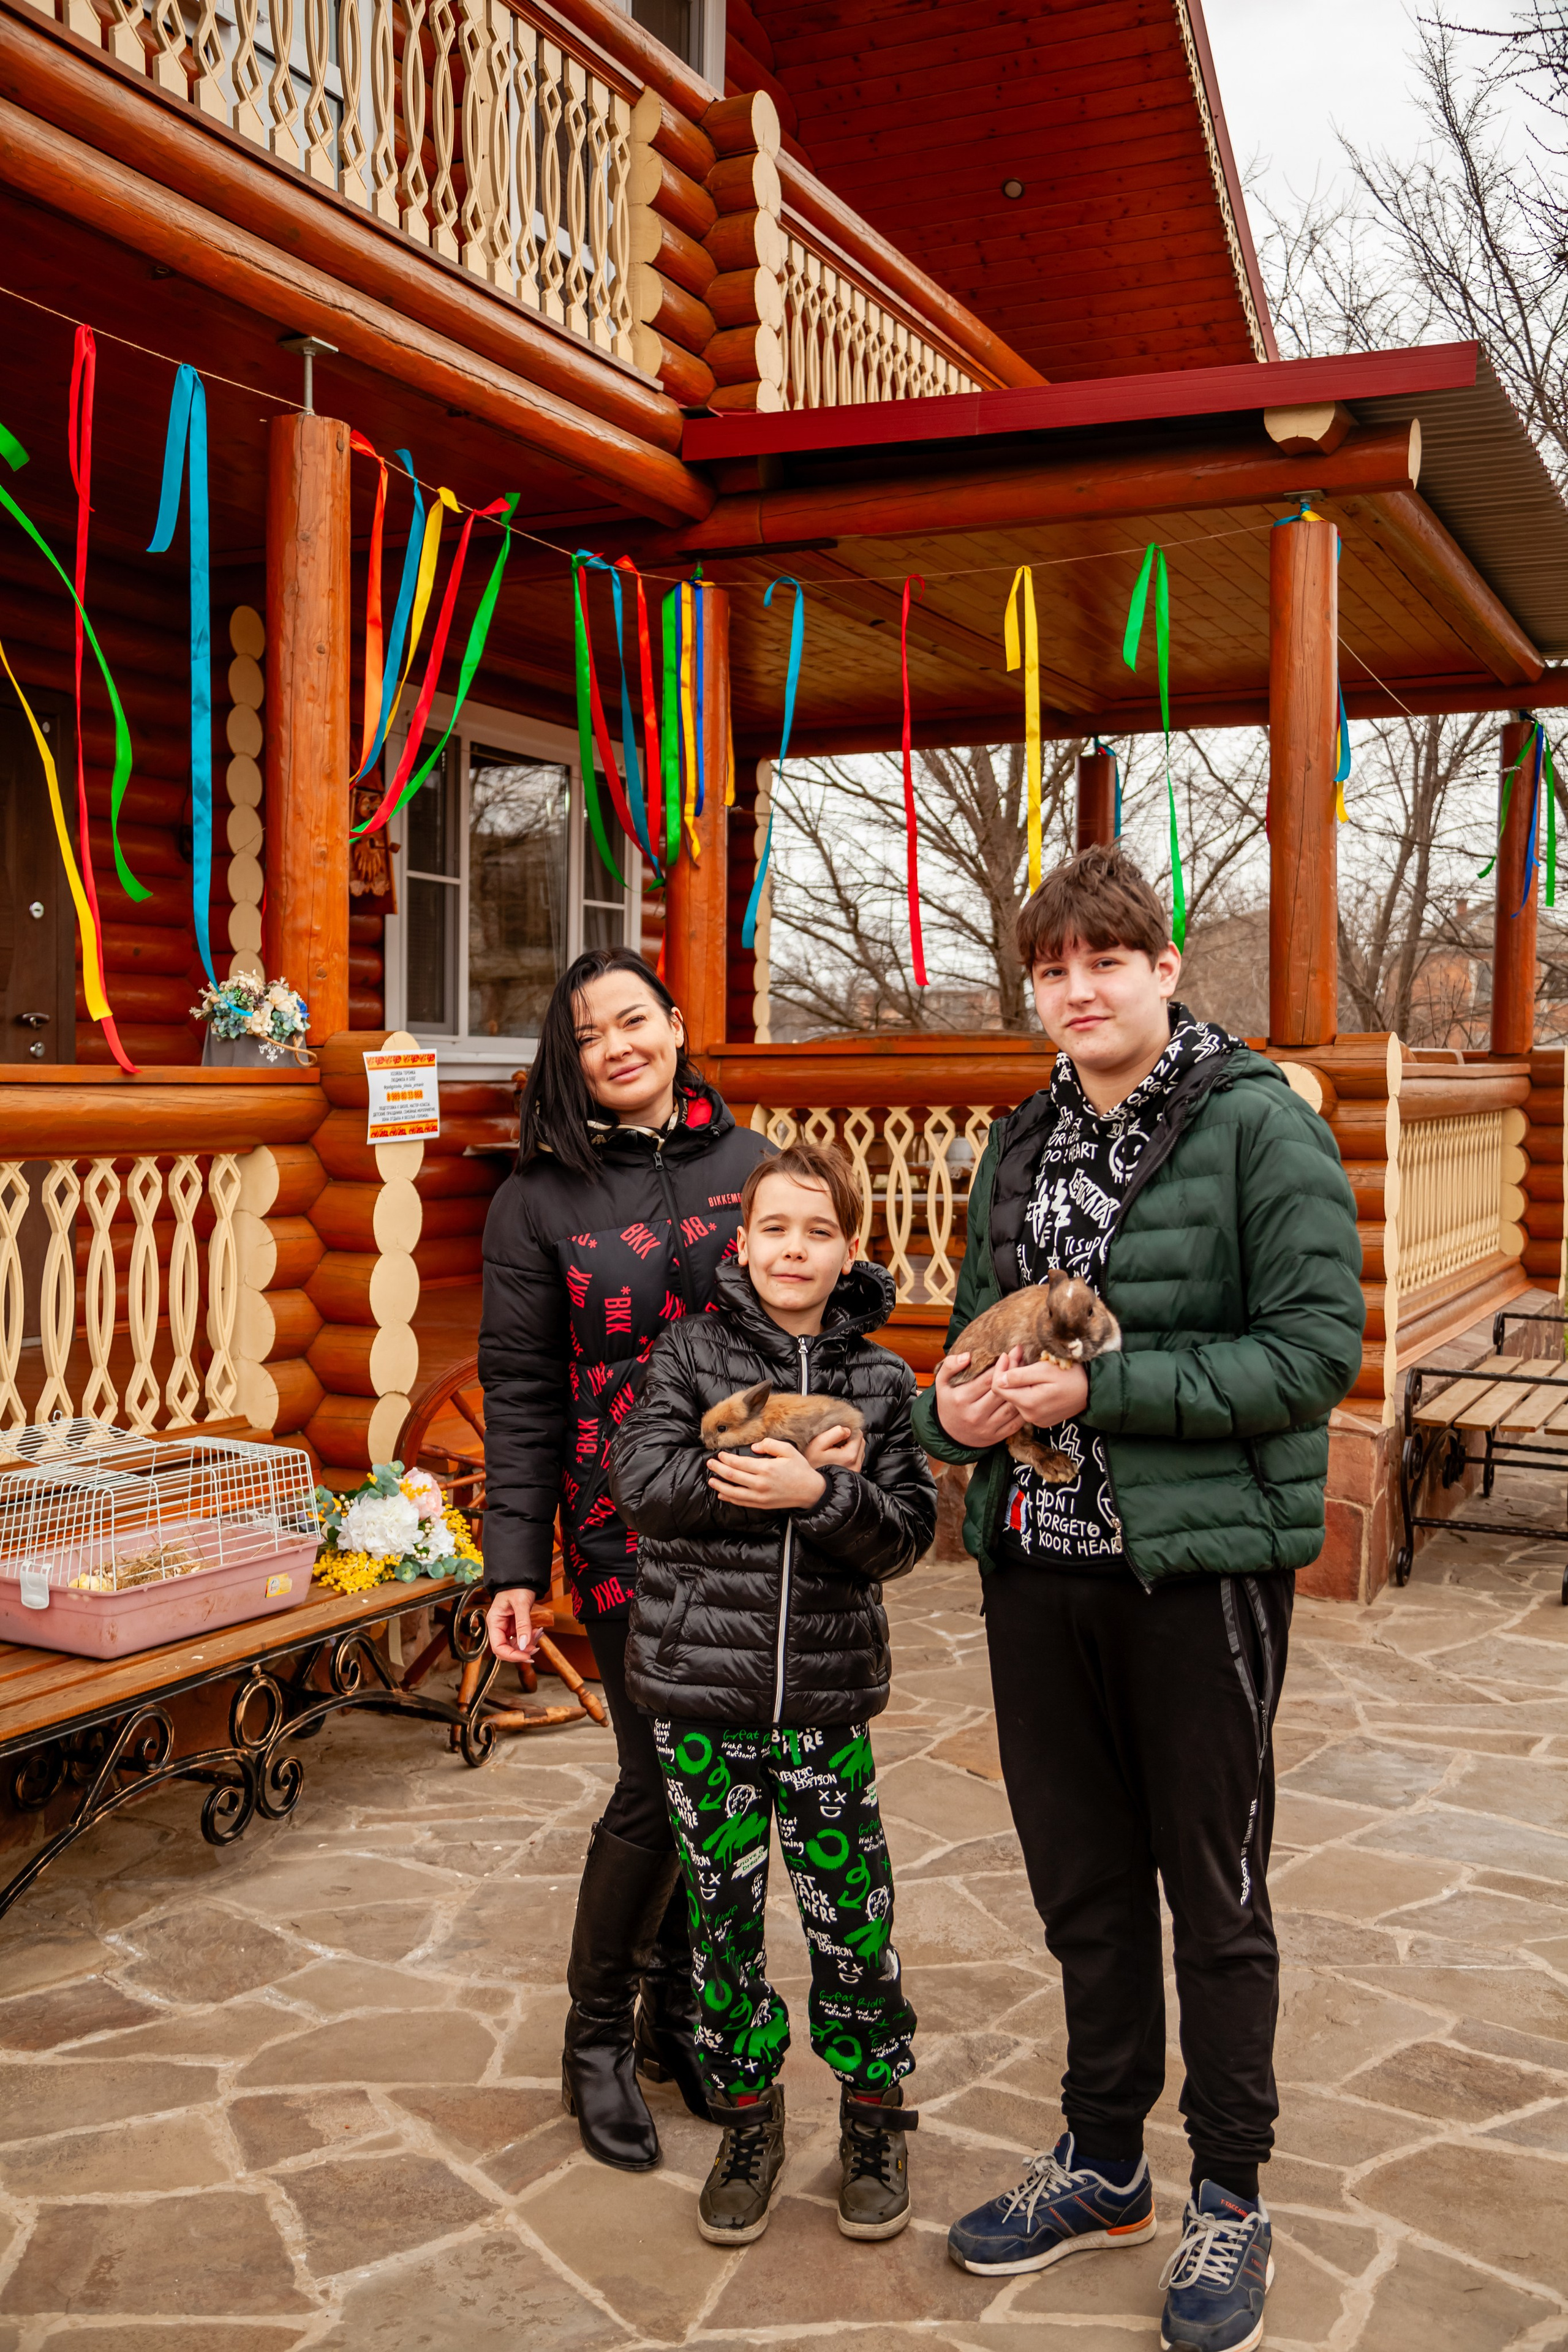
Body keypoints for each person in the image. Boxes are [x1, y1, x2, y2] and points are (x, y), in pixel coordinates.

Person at [915, 845, 1363, 2352]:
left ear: (1163, 970)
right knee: (1083, 1893)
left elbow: (1310, 1358)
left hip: (1195, 1578)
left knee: (1213, 1901)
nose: (1074, 990)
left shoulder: (1254, 1129)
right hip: (1036, 1571)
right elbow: (975, 1344)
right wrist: (952, 1416)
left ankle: (1226, 2197)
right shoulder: (1018, 1141)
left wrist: (1104, 1391)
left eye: (1103, 960)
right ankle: (1102, 2165)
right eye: (1049, 969)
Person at [608, 1142, 937, 2247]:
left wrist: (832, 1495)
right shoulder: (691, 1355)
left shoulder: (884, 1384)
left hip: (826, 1707)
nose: (793, 1249)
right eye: (775, 1229)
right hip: (702, 1702)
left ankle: (875, 2116)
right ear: (741, 1243)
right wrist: (781, 1480)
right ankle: (749, 2122)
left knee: (853, 1920)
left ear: (851, 1251)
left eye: (818, 1232)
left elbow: (907, 1536)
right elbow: (646, 1487)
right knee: (720, 1925)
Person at [479, 946, 769, 2173]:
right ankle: (593, 2041)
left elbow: (800, 1322)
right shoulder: (536, 1197)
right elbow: (522, 1394)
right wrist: (509, 1564)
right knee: (656, 1785)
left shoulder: (751, 1165)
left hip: (747, 1521)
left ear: (675, 1025)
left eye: (634, 1019)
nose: (618, 1045)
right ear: (572, 1056)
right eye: (591, 1032)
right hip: (617, 1534)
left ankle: (676, 2014)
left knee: (720, 1782)